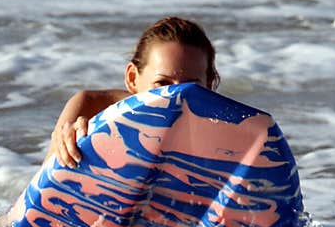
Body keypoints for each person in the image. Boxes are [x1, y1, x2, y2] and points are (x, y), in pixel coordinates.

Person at [46, 16, 221, 168]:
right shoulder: (89, 109)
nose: (177, 97)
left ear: (209, 84)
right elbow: (35, 198)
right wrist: (65, 146)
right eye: (162, 83)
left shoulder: (229, 137)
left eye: (190, 87)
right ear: (132, 78)